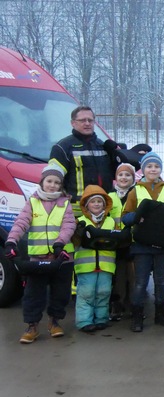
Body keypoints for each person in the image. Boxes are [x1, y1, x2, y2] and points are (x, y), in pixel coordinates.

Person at [4, 164, 76, 344]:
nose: (52, 185)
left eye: (56, 183)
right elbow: (21, 223)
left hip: (62, 258)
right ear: (42, 182)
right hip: (37, 259)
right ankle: (32, 326)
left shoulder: (65, 203)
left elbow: (69, 225)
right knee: (33, 293)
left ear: (61, 186)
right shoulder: (32, 202)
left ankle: (54, 322)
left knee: (60, 293)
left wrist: (60, 243)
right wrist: (11, 241)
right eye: (49, 181)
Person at [122, 152, 164, 332]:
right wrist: (136, 218)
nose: (152, 169)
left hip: (163, 245)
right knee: (140, 282)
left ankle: (161, 314)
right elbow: (125, 217)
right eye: (149, 166)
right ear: (143, 169)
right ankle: (137, 316)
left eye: (156, 166)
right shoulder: (135, 191)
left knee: (161, 280)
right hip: (141, 245)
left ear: (160, 169)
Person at [49, 105, 116, 215]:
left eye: (90, 120)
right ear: (73, 123)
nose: (87, 123)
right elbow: (54, 180)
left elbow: (116, 175)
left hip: (103, 209)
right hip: (76, 212)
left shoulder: (102, 146)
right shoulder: (62, 147)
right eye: (82, 120)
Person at [72, 185, 117, 333]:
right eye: (93, 201)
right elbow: (74, 243)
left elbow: (119, 240)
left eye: (100, 201)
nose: (97, 204)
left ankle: (101, 319)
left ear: (105, 204)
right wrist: (77, 234)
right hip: (86, 267)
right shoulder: (80, 222)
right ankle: (84, 321)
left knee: (104, 292)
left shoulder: (111, 222)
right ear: (86, 205)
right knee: (86, 293)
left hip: (106, 265)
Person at [107, 163, 137, 321]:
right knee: (118, 277)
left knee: (133, 277)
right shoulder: (109, 197)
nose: (124, 178)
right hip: (115, 243)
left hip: (133, 241)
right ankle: (117, 305)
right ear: (115, 178)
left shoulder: (136, 194)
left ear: (133, 178)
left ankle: (134, 306)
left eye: (127, 175)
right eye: (121, 175)